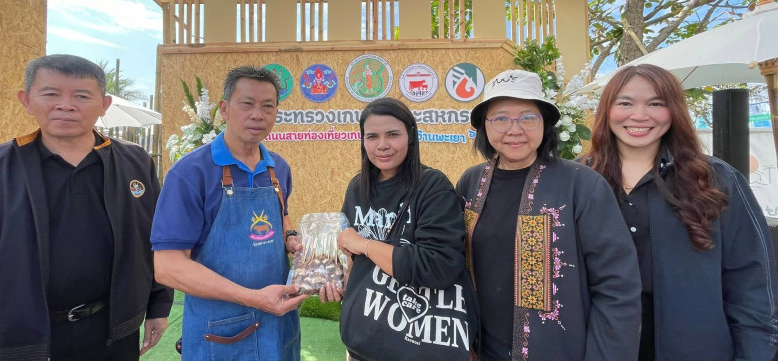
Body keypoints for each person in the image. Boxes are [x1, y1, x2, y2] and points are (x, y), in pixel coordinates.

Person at [0, 54, 173, 360]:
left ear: (104, 105)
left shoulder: (135, 163)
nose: (66, 105)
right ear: (26, 100)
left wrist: (158, 307)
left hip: (112, 330)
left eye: (81, 96)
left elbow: (155, 237)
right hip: (20, 336)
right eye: (51, 94)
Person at [584, 64, 778, 360]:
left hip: (695, 347)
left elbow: (751, 280)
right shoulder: (579, 180)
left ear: (674, 110)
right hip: (601, 346)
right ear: (606, 110)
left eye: (656, 104)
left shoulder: (715, 179)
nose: (639, 115)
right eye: (625, 103)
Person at [456, 69, 642, 360]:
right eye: (501, 119)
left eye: (528, 118)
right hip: (484, 350)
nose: (514, 130)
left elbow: (617, 286)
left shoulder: (581, 184)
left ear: (545, 124)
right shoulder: (471, 182)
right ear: (484, 126)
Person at [151, 65, 306, 360]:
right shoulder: (190, 173)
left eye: (268, 106)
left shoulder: (279, 169)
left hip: (279, 325)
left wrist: (290, 237)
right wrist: (254, 298)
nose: (257, 115)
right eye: (247, 104)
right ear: (225, 109)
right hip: (220, 333)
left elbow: (282, 215)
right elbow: (168, 266)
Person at [329, 97, 478, 360]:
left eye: (393, 134)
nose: (382, 145)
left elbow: (438, 266)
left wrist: (365, 244)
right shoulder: (357, 188)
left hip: (418, 342)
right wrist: (339, 282)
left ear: (410, 136)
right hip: (363, 341)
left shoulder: (433, 187)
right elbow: (352, 259)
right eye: (372, 136)